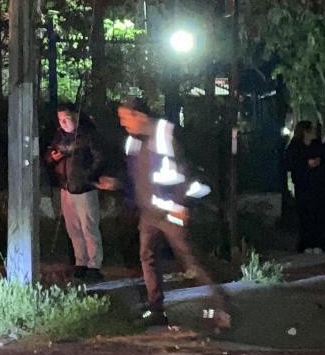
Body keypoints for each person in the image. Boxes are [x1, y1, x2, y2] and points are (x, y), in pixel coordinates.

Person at [107, 97, 230, 329]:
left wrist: (180, 206)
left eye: (125, 117)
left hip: (170, 212)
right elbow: (135, 176)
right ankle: (156, 309)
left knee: (189, 260)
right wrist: (119, 185)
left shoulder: (164, 136)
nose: (123, 123)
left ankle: (221, 305)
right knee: (147, 257)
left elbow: (182, 173)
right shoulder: (132, 141)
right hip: (149, 213)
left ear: (139, 115)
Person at [45, 105, 105, 280]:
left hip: (84, 189)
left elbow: (99, 158)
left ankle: (94, 265)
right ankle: (80, 262)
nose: (63, 123)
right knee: (73, 228)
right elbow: (49, 155)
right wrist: (52, 157)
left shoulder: (88, 135)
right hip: (66, 188)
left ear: (76, 117)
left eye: (66, 118)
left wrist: (87, 176)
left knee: (89, 227)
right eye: (60, 120)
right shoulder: (60, 136)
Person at [284, 121, 325, 253]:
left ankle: (318, 243)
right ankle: (305, 244)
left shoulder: (317, 145)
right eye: (311, 130)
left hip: (317, 186)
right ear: (305, 131)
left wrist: (319, 162)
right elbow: (290, 164)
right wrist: (306, 164)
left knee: (317, 214)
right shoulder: (295, 146)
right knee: (304, 215)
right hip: (302, 185)